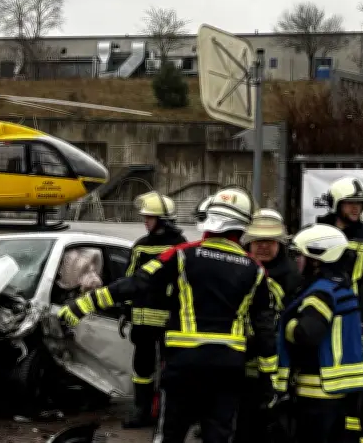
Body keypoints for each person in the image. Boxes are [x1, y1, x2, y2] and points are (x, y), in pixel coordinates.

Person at [58, 186, 277, 443]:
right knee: (218, 434)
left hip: (185, 364)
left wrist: (82, 305)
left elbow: (134, 283)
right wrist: (269, 379)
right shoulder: (256, 270)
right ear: (243, 227)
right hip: (227, 367)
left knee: (171, 432)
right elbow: (264, 330)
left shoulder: (182, 255)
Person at [274, 223, 363, 443]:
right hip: (338, 391)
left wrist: (283, 324)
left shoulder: (321, 293)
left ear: (316, 259)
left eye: (300, 255)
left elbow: (307, 334)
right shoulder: (340, 287)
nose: (295, 261)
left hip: (316, 392)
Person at [122, 191, 186, 429]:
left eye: (150, 217)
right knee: (142, 369)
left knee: (172, 370)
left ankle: (167, 415)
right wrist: (126, 311)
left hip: (172, 323)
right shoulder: (141, 246)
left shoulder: (181, 248)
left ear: (163, 220)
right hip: (144, 322)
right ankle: (143, 411)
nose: (145, 221)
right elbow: (129, 281)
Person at [235, 209, 300, 443]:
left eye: (269, 241)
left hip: (278, 364)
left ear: (280, 243)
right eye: (257, 241)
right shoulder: (239, 269)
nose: (263, 246)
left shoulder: (292, 276)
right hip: (240, 362)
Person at [315, 177, 363, 439]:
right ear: (337, 205)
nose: (355, 209)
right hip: (322, 303)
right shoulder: (319, 230)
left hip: (354, 310)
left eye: (359, 205)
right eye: (350, 204)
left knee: (352, 378)